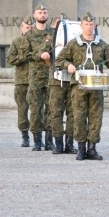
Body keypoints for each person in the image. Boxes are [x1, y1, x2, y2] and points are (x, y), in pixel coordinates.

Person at [56, 12, 109, 160]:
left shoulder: (101, 44)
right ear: (81, 26)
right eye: (86, 24)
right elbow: (59, 60)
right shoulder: (73, 43)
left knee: (96, 117)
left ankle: (92, 148)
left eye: (91, 24)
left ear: (95, 26)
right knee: (79, 117)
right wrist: (68, 65)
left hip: (96, 86)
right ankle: (81, 148)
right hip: (79, 86)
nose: (89, 27)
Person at [24, 3, 55, 151]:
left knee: (51, 108)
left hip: (51, 76)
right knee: (36, 109)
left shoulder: (54, 33)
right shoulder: (29, 35)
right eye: (39, 13)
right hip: (35, 77)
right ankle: (37, 141)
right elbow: (25, 54)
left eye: (44, 12)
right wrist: (39, 55)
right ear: (34, 15)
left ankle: (49, 141)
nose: (42, 15)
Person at [48, 16, 78, 155]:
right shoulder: (50, 39)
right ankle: (58, 143)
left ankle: (69, 143)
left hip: (72, 81)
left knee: (72, 114)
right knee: (56, 113)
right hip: (56, 81)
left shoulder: (75, 41)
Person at [6, 16, 33, 147]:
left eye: (31, 28)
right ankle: (25, 135)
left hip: (37, 80)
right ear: (22, 28)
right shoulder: (16, 42)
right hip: (22, 81)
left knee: (39, 110)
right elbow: (10, 59)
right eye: (27, 27)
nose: (29, 30)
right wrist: (24, 57)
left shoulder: (40, 42)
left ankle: (40, 136)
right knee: (22, 109)